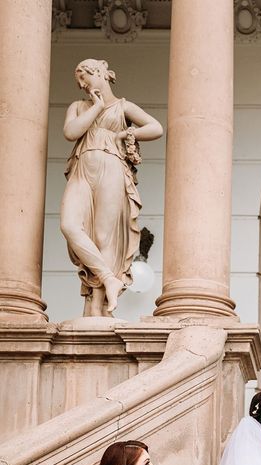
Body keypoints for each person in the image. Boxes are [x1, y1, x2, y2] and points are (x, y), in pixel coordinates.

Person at [61, 58, 163, 317]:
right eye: (79, 81)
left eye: (84, 77)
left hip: (112, 169)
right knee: (70, 225)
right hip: (83, 170)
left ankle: (97, 308)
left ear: (100, 73)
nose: (82, 85)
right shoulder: (79, 106)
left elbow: (156, 128)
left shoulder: (123, 107)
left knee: (103, 237)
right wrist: (96, 106)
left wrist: (127, 135)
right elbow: (71, 133)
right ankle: (109, 277)